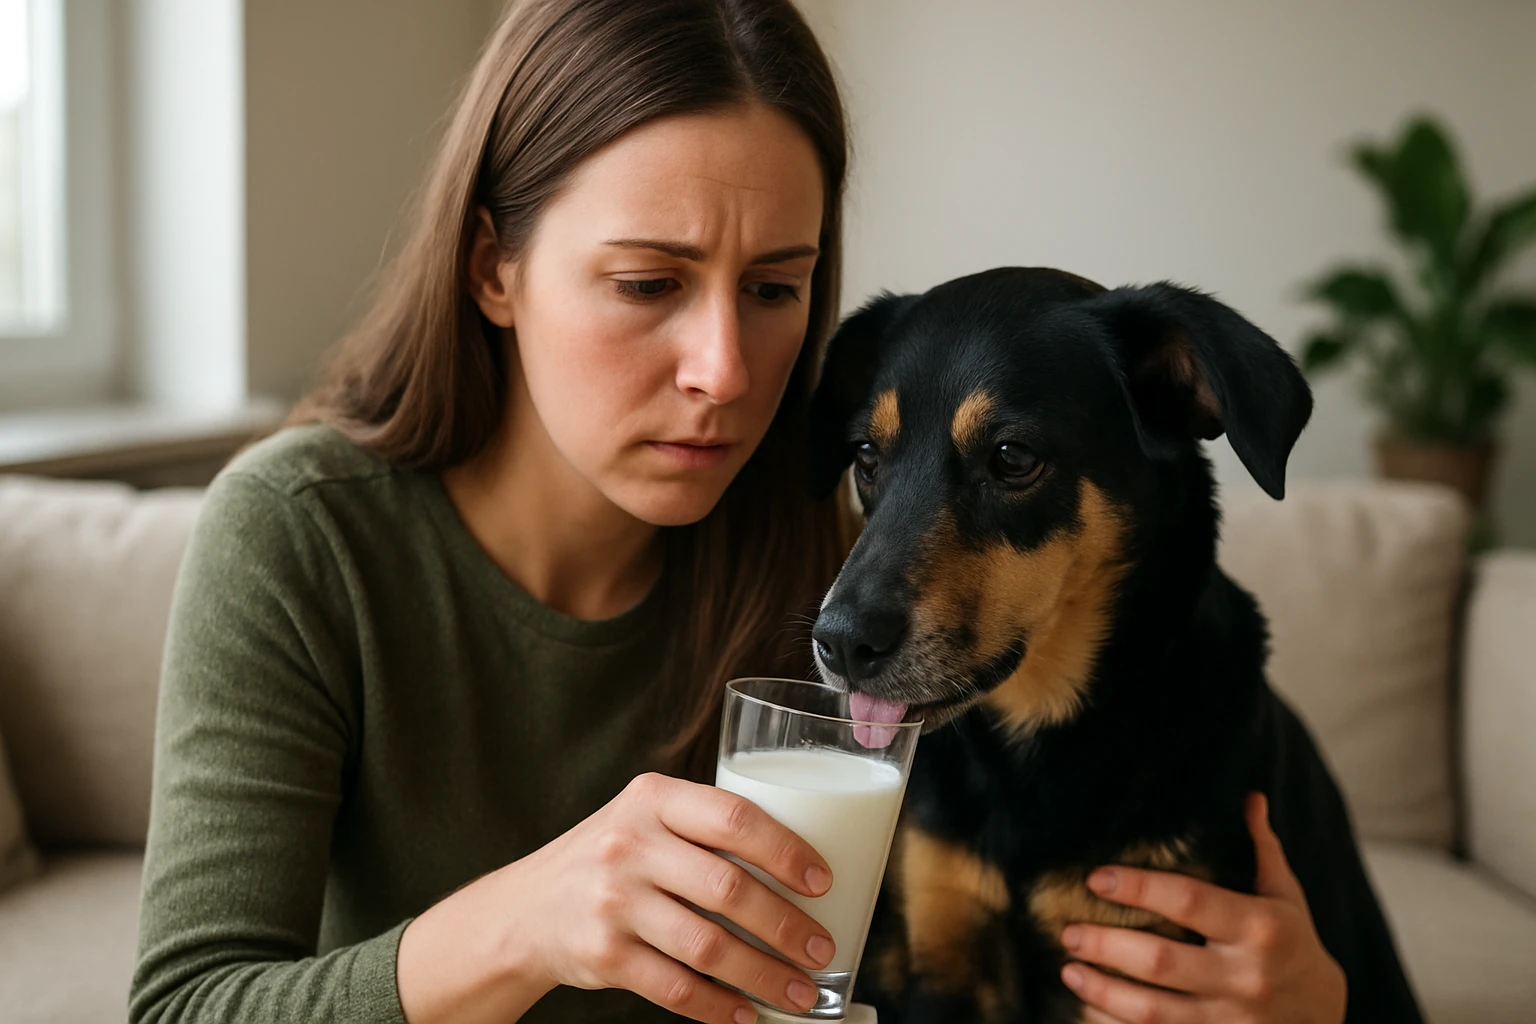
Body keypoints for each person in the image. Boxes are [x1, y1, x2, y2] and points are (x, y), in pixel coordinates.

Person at [128, 1, 1350, 1022]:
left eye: (773, 287)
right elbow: (185, 1003)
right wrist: (525, 921)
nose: (724, 369)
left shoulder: (847, 556)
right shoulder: (299, 538)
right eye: (647, 281)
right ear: (493, 266)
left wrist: (1312, 1005)